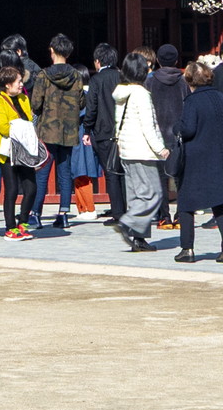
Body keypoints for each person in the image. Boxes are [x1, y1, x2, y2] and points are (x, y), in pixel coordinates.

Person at [172, 60, 223, 263]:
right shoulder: (222, 98)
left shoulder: (193, 101)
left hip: (197, 158)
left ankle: (187, 248)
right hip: (221, 157)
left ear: (189, 80)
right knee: (219, 203)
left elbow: (188, 129)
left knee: (186, 203)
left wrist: (176, 127)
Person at [112, 51, 168, 253]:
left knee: (137, 196)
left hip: (127, 150)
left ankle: (139, 239)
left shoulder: (122, 92)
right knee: (154, 193)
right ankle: (128, 222)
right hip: (142, 151)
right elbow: (148, 125)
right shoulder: (141, 94)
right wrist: (160, 148)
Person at [28, 34, 85, 232]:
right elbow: (81, 102)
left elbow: (36, 103)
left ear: (52, 50)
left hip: (47, 129)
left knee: (42, 173)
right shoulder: (76, 76)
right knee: (65, 172)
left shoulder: (44, 75)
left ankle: (36, 214)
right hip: (68, 130)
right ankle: (63, 214)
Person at [0, 64, 39, 238]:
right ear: (7, 84)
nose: (21, 84)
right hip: (7, 151)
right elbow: (3, 128)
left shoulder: (24, 98)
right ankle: (10, 227)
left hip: (24, 149)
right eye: (18, 82)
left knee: (31, 188)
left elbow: (30, 121)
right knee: (11, 189)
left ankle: (23, 222)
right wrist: (22, 127)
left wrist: (22, 127)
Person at [146, 44, 188, 227]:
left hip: (158, 135)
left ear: (158, 61)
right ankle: (181, 215)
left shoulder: (150, 82)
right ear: (177, 61)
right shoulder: (183, 82)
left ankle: (164, 216)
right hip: (179, 135)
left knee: (160, 179)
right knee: (180, 178)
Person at [86, 43, 123, 226]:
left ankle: (118, 212)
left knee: (111, 173)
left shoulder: (96, 80)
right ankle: (127, 209)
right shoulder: (122, 76)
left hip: (103, 131)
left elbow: (91, 107)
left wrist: (87, 128)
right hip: (123, 131)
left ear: (98, 61)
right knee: (123, 172)